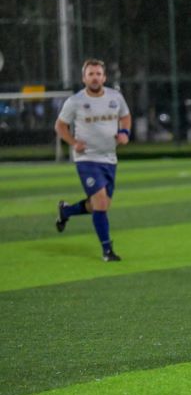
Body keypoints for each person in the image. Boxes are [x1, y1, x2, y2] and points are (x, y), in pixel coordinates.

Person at [54, 58, 132, 261]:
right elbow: (60, 126)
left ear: (104, 77)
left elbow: (125, 116)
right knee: (100, 203)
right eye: (91, 74)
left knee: (99, 205)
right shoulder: (75, 101)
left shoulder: (115, 97)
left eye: (98, 74)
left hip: (109, 158)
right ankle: (107, 250)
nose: (95, 78)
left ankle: (66, 211)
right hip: (87, 159)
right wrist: (73, 143)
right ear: (84, 78)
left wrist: (124, 132)